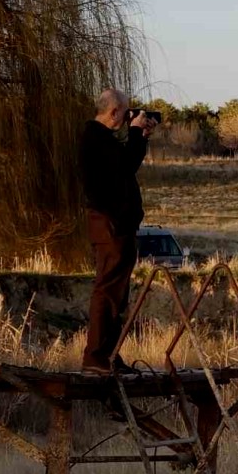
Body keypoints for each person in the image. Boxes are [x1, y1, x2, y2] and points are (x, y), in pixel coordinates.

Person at [79, 88, 158, 375]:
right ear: (114, 112)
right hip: (110, 224)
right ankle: (96, 356)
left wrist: (140, 138)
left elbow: (126, 165)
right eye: (126, 113)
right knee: (108, 290)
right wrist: (136, 134)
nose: (129, 118)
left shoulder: (103, 140)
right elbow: (124, 166)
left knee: (118, 293)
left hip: (117, 225)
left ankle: (108, 355)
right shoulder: (95, 139)